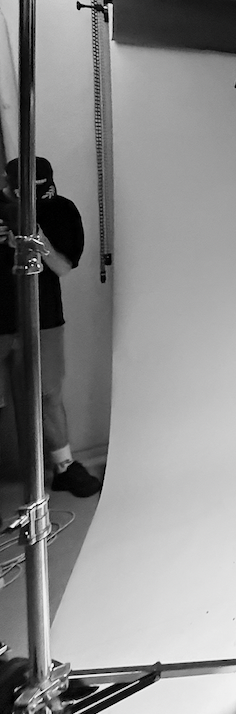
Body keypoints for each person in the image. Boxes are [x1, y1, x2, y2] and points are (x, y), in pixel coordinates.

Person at [0, 157, 102, 497]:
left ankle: (63, 466)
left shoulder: (61, 210)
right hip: (2, 318)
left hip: (42, 317)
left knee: (48, 394)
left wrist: (35, 238)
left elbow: (62, 268)